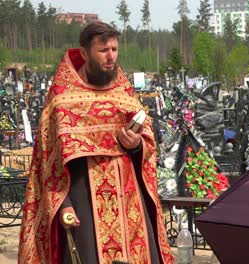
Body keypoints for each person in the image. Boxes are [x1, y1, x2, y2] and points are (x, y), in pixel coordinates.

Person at [18, 22, 174, 264]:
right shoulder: (62, 98)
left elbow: (147, 143)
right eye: (103, 50)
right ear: (84, 53)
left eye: (114, 49)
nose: (111, 56)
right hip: (83, 201)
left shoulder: (124, 92)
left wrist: (135, 144)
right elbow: (48, 161)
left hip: (129, 201)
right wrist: (64, 206)